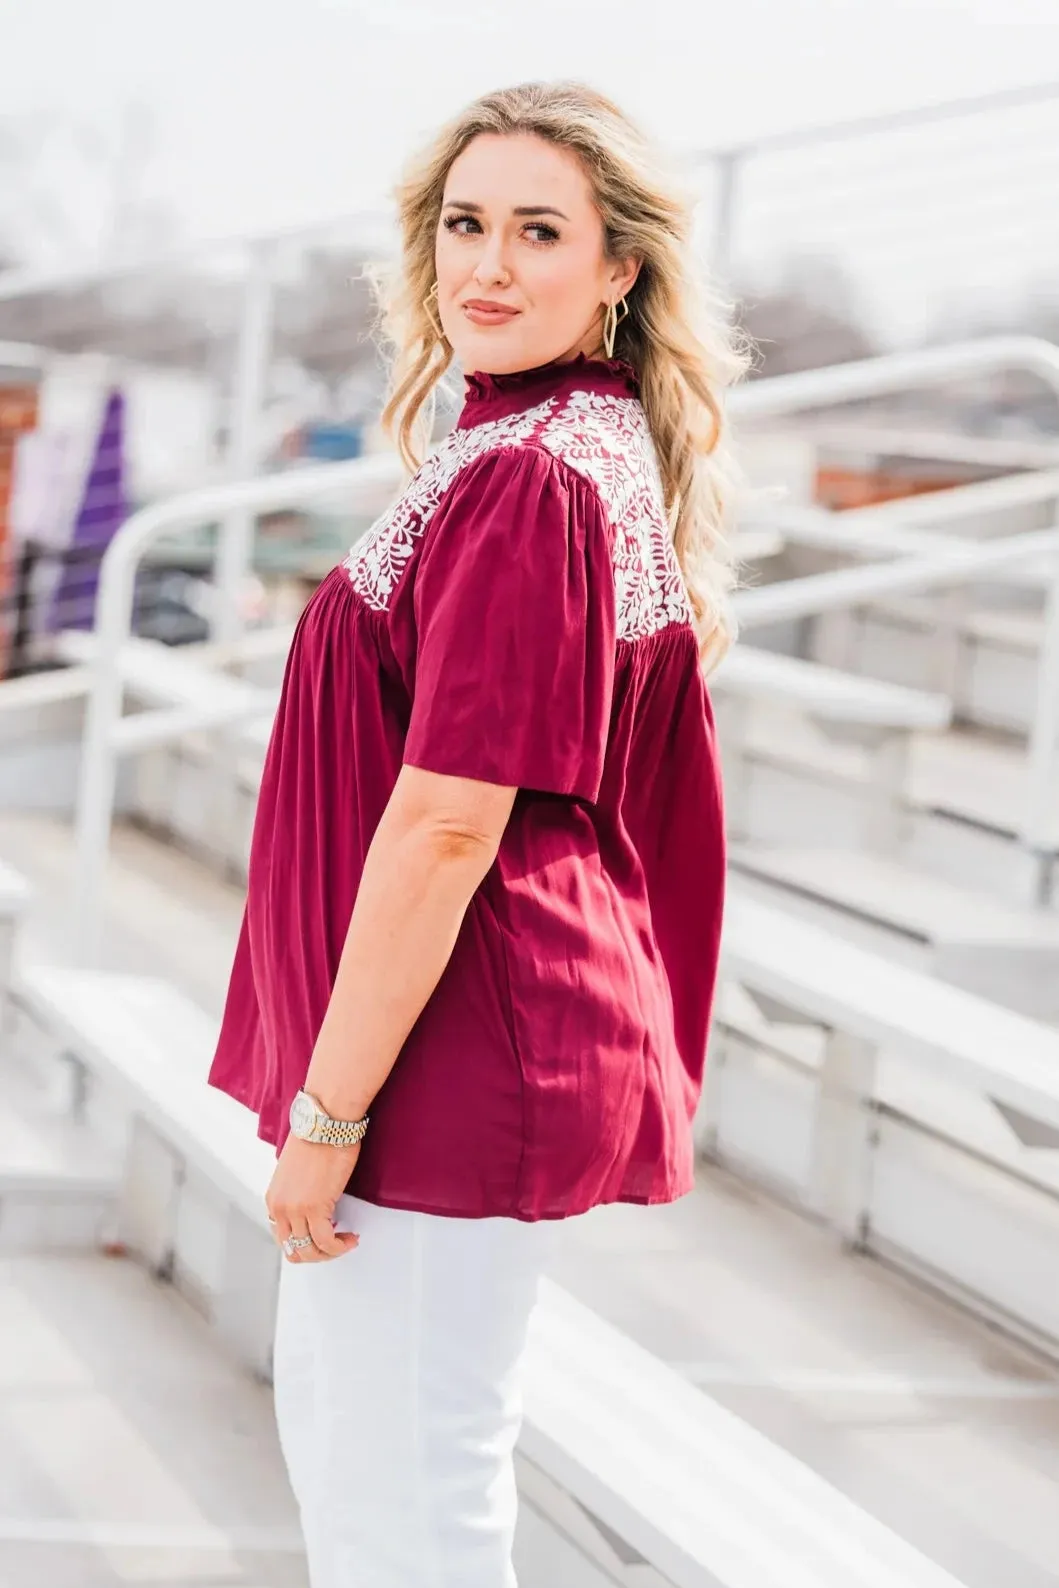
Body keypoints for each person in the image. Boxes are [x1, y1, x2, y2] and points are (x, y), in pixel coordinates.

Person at [208, 78, 747, 1588]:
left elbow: (448, 824)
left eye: (537, 231)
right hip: (456, 1039)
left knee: (403, 1498)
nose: (486, 266)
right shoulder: (538, 445)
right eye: (463, 223)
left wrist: (325, 1116)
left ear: (617, 270)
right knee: (366, 1449)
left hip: (452, 1050)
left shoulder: (525, 479)